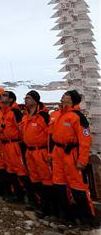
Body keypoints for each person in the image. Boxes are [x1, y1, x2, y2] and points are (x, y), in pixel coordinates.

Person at [50, 89, 95, 227]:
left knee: (78, 186)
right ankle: (66, 216)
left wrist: (82, 160)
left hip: (71, 154)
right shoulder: (59, 115)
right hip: (58, 153)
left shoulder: (77, 116)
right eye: (64, 95)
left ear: (73, 100)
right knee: (59, 185)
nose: (63, 97)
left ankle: (87, 219)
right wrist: (51, 154)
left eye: (67, 95)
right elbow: (52, 137)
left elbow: (85, 139)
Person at [21, 90, 52, 217]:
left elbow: (50, 135)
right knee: (34, 178)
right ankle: (40, 202)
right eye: (25, 97)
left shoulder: (43, 116)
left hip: (41, 151)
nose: (25, 100)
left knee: (46, 179)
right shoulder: (25, 116)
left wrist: (50, 153)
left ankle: (49, 206)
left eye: (28, 98)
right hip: (30, 151)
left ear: (35, 100)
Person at [0, 91, 28, 203]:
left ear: (11, 100)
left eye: (5, 95)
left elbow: (21, 129)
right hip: (6, 145)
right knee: (10, 170)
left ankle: (28, 196)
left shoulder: (14, 112)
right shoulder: (4, 112)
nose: (2, 97)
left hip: (14, 144)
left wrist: (21, 144)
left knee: (20, 171)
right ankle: (17, 194)